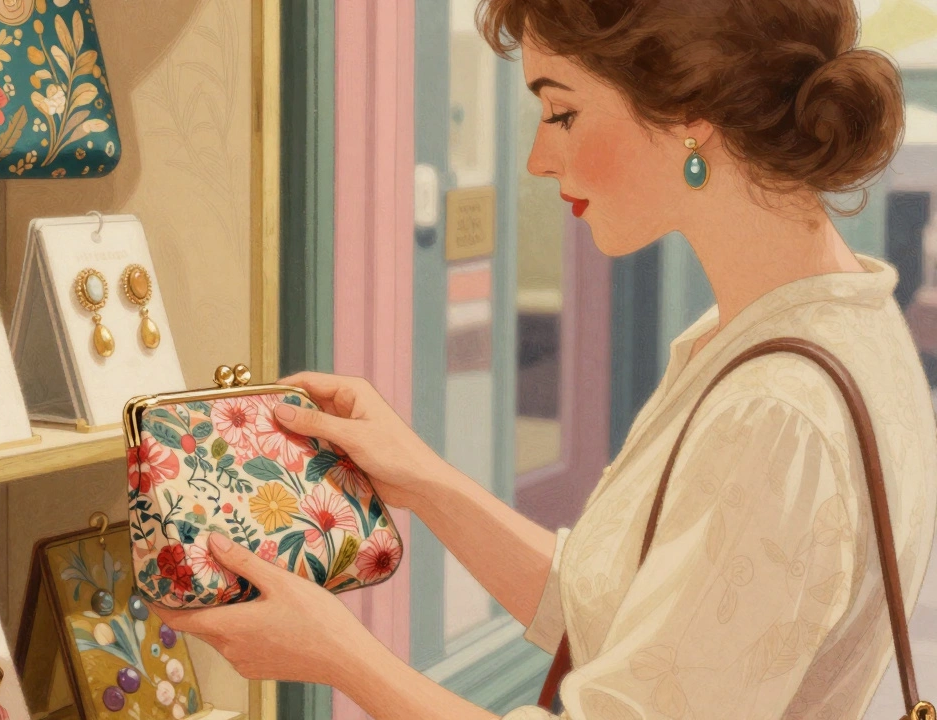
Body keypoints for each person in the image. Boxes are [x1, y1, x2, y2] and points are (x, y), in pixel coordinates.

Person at [155, 0, 937, 717]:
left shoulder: (778, 410)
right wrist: (425, 480)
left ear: (692, 120)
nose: (536, 157)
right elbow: (629, 617)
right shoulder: (816, 326)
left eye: (561, 112)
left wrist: (342, 658)